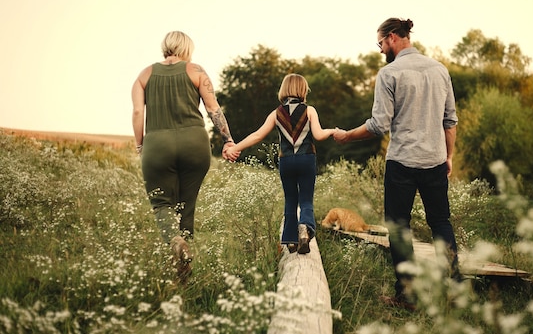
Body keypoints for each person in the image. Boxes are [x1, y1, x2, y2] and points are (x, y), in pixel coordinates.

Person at [334, 18, 460, 309]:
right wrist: (448, 157)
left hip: (402, 162)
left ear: (392, 37)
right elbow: (450, 122)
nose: (380, 50)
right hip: (434, 161)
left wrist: (347, 136)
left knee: (400, 227)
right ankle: (454, 290)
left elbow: (379, 125)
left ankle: (408, 296)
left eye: (380, 43)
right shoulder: (440, 70)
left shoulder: (389, 73)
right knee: (441, 222)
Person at [131, 31, 235, 281]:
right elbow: (213, 109)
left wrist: (139, 144)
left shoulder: (144, 75)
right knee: (187, 206)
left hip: (157, 144)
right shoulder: (196, 70)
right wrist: (227, 140)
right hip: (195, 144)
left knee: (161, 204)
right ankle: (185, 273)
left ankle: (176, 243)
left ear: (165, 47)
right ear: (187, 48)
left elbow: (137, 113)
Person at [224, 74, 335, 254]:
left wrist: (235, 147)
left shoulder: (276, 113)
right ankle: (305, 228)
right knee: (306, 199)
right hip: (306, 159)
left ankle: (290, 240)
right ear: (303, 90)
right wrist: (332, 131)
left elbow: (257, 135)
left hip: (286, 161)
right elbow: (319, 135)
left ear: (284, 90)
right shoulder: (309, 110)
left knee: (290, 200)